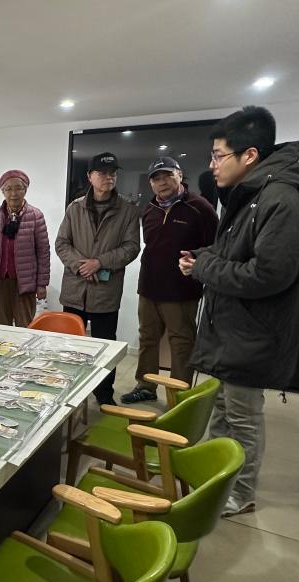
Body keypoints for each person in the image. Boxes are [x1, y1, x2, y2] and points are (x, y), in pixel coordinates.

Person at [179, 106, 299, 516]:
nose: (212, 165)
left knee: (243, 419)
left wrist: (204, 267)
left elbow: (268, 274)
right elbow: (233, 253)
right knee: (223, 411)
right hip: (231, 333)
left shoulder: (279, 200)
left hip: (250, 336)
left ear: (250, 155)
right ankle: (215, 476)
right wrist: (203, 257)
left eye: (219, 155)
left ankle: (239, 493)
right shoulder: (249, 196)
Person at [121, 157, 218, 404]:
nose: (162, 182)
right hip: (149, 287)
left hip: (182, 290)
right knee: (147, 338)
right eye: (156, 178)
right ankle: (145, 386)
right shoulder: (149, 209)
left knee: (181, 343)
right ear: (151, 183)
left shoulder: (200, 208)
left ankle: (179, 395)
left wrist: (196, 259)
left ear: (180, 175)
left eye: (167, 176)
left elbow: (217, 247)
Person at [55, 152, 141, 406]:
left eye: (113, 173)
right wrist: (81, 265)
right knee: (72, 347)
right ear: (90, 176)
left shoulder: (127, 209)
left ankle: (104, 395)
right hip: (75, 290)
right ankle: (69, 392)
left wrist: (100, 262)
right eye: (102, 173)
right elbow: (62, 243)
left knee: (106, 348)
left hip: (106, 291)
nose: (109, 177)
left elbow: (131, 247)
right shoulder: (75, 207)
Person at [0, 170, 50, 326]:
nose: (13, 193)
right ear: (2, 191)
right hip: (0, 280)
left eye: (18, 188)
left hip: (25, 281)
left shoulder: (35, 215)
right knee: (2, 324)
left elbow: (43, 252)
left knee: (25, 325)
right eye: (8, 189)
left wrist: (42, 284)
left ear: (25, 190)